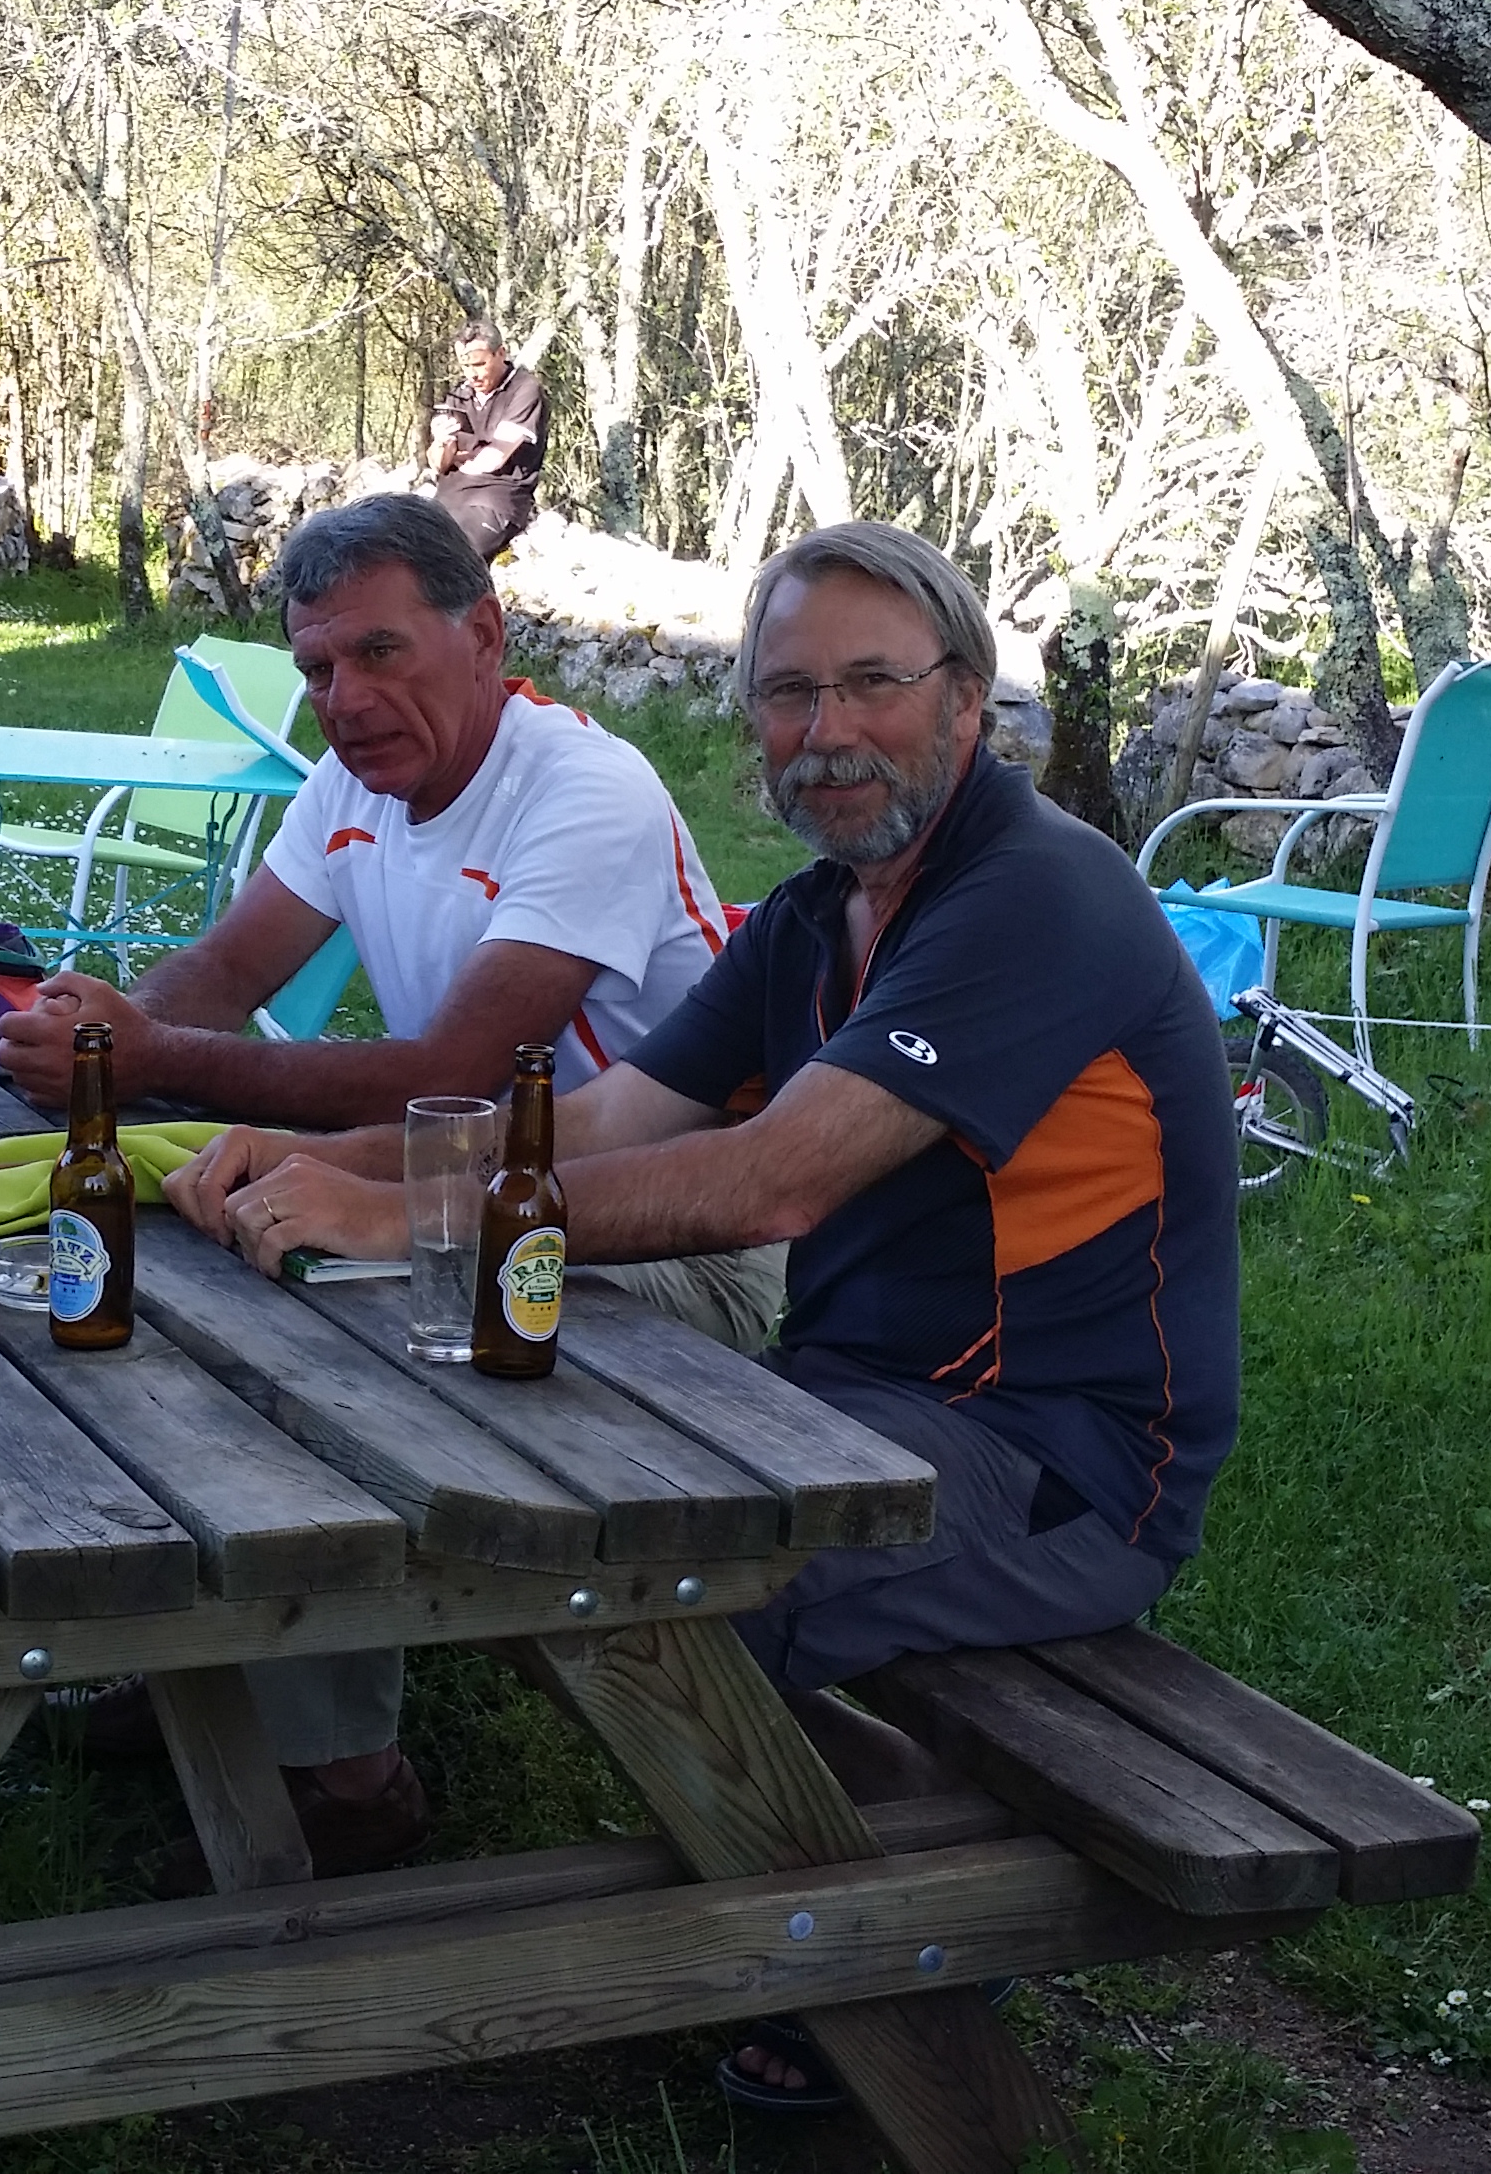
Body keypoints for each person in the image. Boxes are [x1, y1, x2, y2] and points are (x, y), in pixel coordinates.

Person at [166, 521, 1240, 1990]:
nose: (829, 729)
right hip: (839, 1404)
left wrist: (411, 1215)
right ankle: (837, 1872)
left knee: (630, 1575)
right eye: (790, 693)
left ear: (967, 699)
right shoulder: (815, 915)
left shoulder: (1039, 894)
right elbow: (607, 1116)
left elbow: (773, 1181)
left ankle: (915, 1944)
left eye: (872, 683)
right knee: (531, 1507)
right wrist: (334, 1165)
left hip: (1062, 1463)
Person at [0, 492, 766, 1886]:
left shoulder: (584, 790)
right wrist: (107, 1042)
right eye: (315, 668)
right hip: (478, 1191)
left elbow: (455, 1071)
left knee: (321, 1301)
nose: (344, 700)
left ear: (486, 636)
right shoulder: (358, 778)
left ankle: (348, 1777)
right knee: (210, 1250)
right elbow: (227, 970)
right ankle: (213, 1660)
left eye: (379, 653)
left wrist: (155, 1056)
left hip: (671, 1228)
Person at [424, 323, 545, 561]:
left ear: (501, 353)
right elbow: (438, 464)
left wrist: (461, 457)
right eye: (465, 366)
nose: (472, 375)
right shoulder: (458, 395)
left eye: (479, 364)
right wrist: (441, 442)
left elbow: (494, 458)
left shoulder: (524, 389)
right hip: (447, 498)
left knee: (449, 555)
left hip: (496, 500)